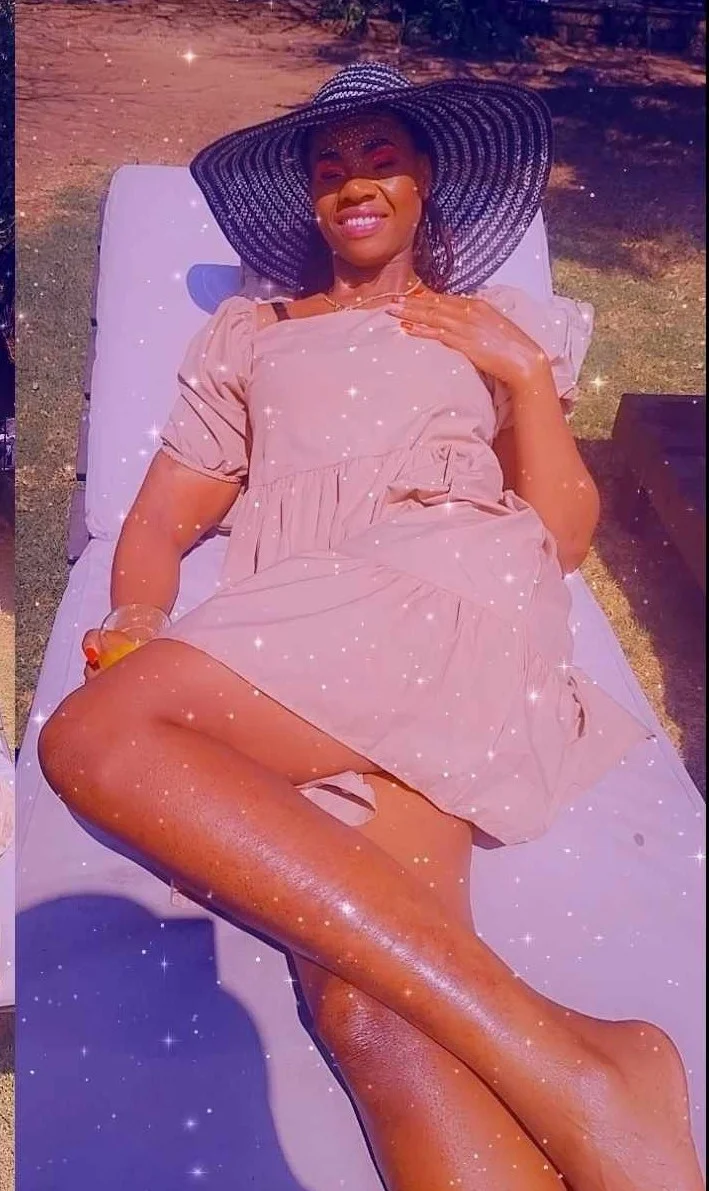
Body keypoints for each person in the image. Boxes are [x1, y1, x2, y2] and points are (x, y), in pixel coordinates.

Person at [38, 61, 703, 1190]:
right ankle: (590, 1068)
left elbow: (558, 536)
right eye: (329, 166)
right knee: (366, 1010)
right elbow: (153, 523)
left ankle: (593, 1075)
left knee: (94, 737)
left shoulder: (496, 327)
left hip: (445, 584)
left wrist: (523, 380)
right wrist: (138, 620)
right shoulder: (255, 334)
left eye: (379, 157)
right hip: (299, 619)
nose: (352, 182)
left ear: (424, 178)